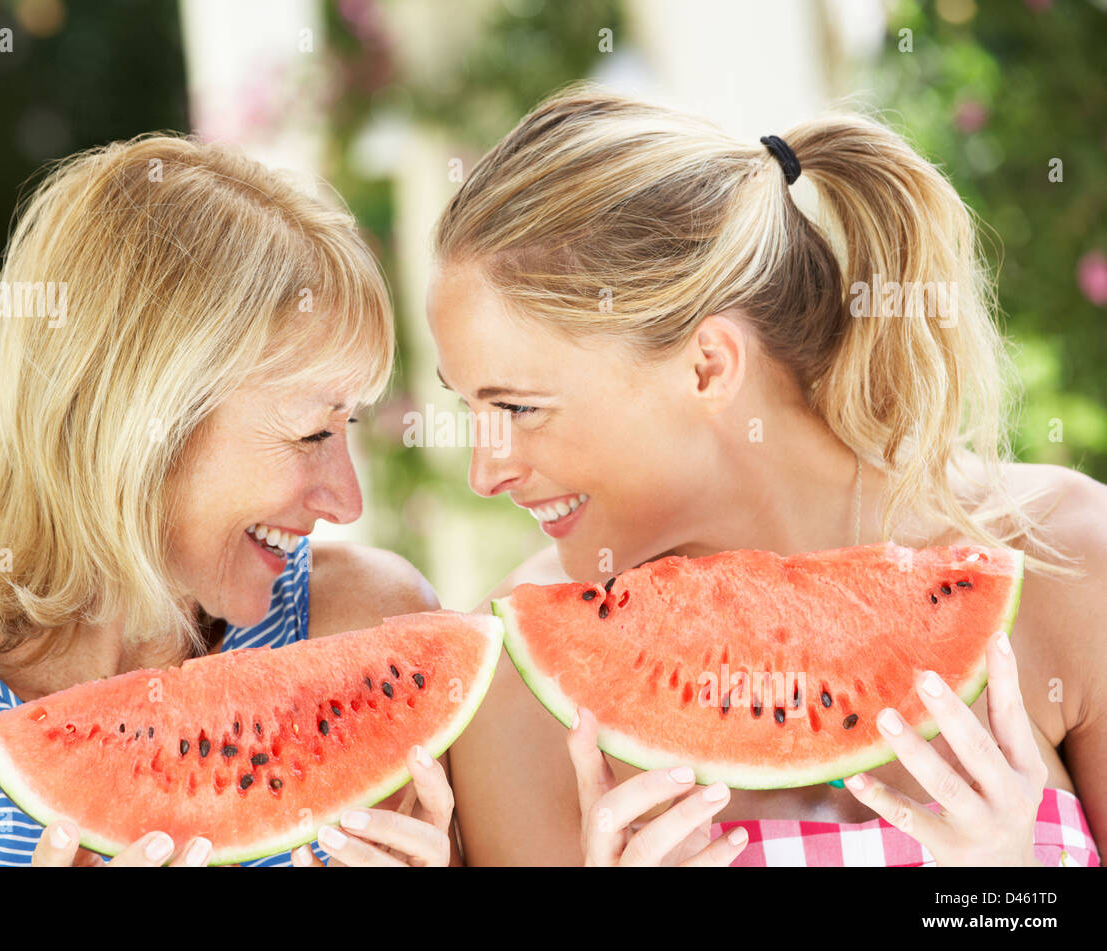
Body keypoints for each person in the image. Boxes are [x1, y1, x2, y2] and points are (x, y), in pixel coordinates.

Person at [429, 86, 1106, 866]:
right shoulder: (516, 692)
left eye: (519, 407)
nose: (486, 471)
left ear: (708, 366)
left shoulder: (1072, 564)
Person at [0, 134, 454, 867]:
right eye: (310, 433)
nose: (345, 499)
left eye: (351, 425)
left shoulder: (366, 632)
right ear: (143, 427)